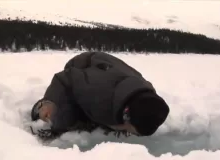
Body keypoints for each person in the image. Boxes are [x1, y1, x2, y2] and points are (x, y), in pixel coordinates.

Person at [30, 51, 169, 140]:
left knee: (102, 119)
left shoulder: (148, 96)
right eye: (132, 131)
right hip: (82, 64)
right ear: (127, 116)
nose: (132, 134)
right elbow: (65, 79)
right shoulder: (98, 93)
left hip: (109, 70)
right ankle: (42, 105)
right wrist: (50, 102)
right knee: (67, 119)